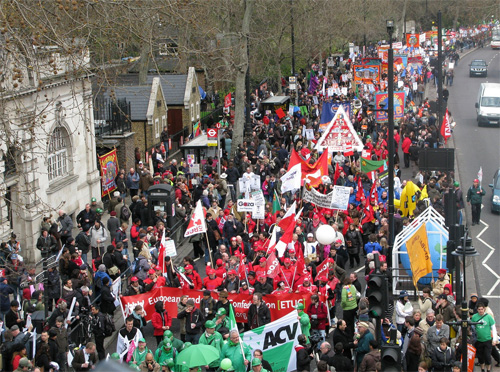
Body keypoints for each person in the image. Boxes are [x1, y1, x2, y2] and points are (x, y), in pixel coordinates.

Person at [471, 302, 498, 372]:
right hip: (478, 340)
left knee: (487, 356)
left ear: (484, 309)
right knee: (480, 357)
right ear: (477, 310)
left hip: (487, 340)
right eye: (479, 309)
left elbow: (493, 328)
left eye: (482, 309)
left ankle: (488, 370)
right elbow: (471, 327)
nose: (480, 311)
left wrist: (494, 339)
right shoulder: (474, 317)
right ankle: (482, 369)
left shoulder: (488, 317)